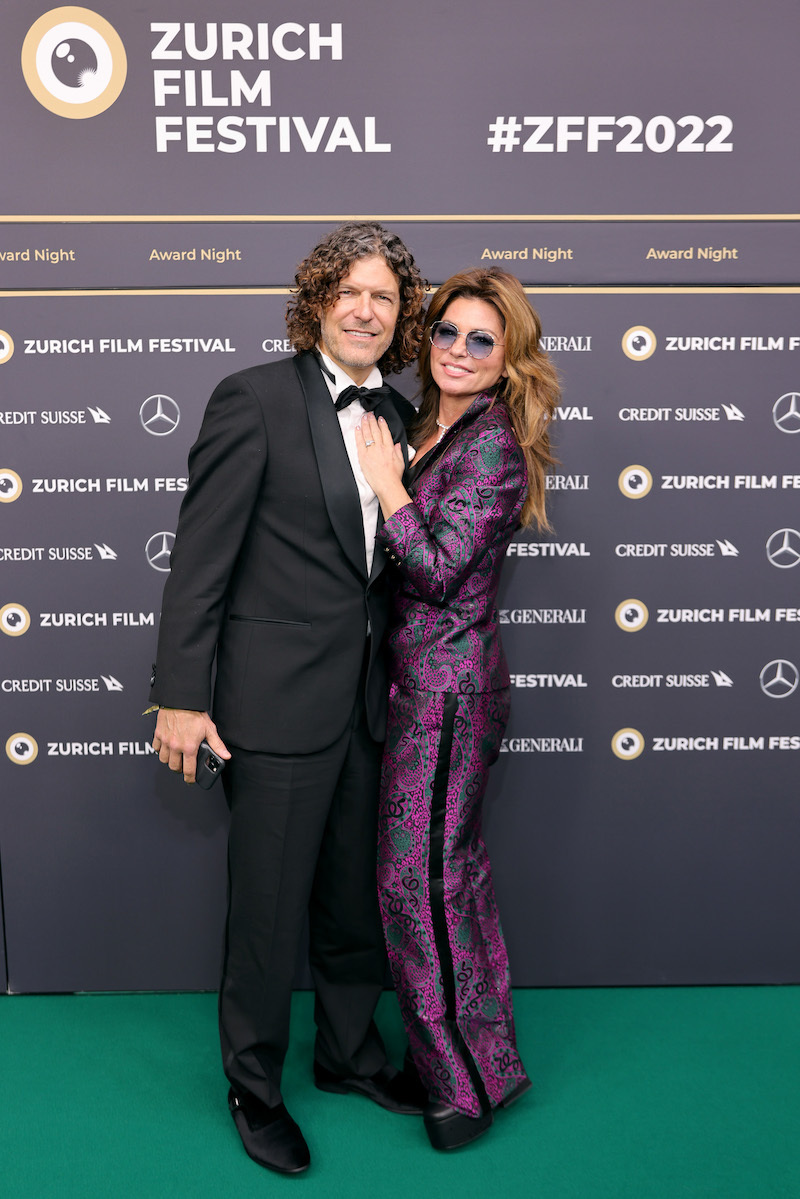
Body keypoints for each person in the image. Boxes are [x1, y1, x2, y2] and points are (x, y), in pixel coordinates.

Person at [148, 222, 429, 1175]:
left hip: (365, 702)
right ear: (316, 303)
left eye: (384, 297)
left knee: (353, 895)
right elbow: (200, 560)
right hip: (271, 708)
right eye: (348, 291)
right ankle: (255, 1086)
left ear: (400, 318)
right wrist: (181, 696)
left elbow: (379, 568)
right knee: (268, 912)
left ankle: (351, 1055)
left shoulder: (398, 410)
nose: (365, 309)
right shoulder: (254, 399)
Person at [354, 266, 560, 1151]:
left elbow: (437, 570)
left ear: (508, 356)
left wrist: (388, 483)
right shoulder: (432, 425)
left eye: (483, 339)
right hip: (419, 688)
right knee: (447, 884)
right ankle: (474, 1066)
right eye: (448, 332)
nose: (459, 352)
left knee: (419, 886)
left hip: (449, 695)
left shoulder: (493, 444)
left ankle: (460, 1088)